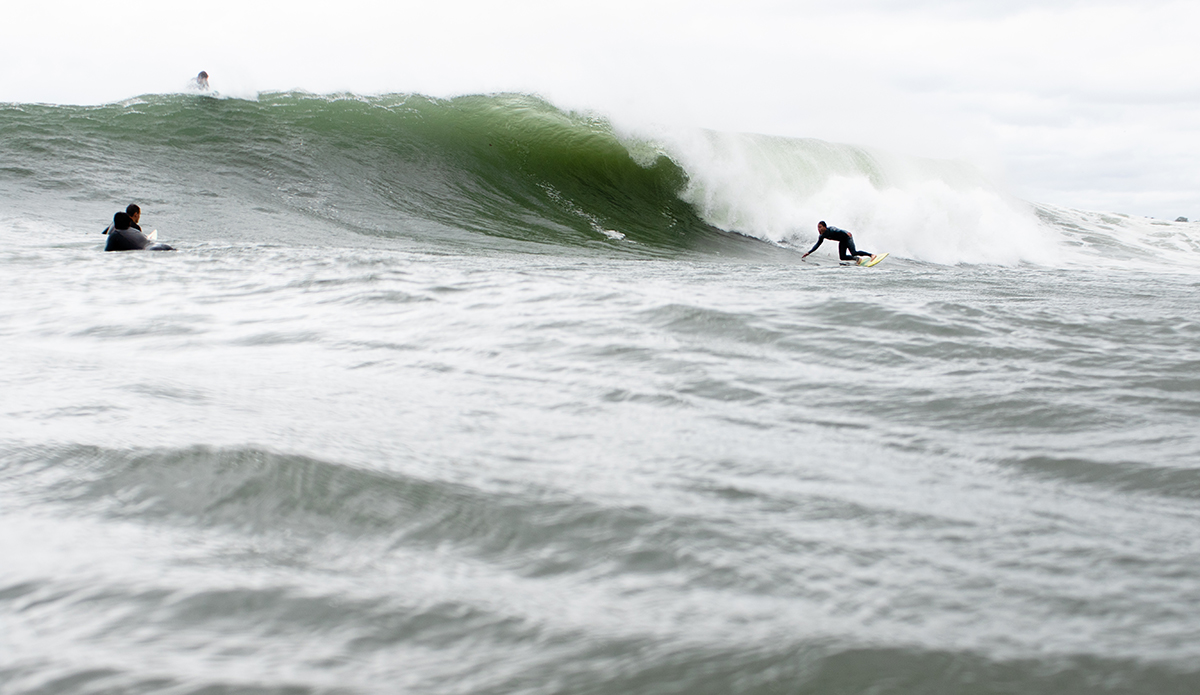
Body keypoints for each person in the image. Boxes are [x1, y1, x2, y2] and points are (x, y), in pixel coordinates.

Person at [801, 221, 877, 264]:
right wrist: (809, 252)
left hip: (847, 237)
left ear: (825, 227)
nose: (819, 229)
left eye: (820, 227)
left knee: (853, 252)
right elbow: (817, 245)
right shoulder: (822, 236)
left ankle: (872, 255)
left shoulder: (831, 229)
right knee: (842, 257)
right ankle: (857, 259)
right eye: (818, 227)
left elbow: (839, 230)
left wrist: (846, 233)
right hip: (842, 241)